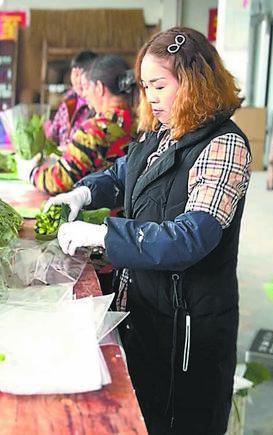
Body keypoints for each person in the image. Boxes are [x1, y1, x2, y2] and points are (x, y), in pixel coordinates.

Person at [48, 27, 251, 434]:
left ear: (195, 82)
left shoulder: (224, 145)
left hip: (189, 329)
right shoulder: (163, 131)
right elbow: (126, 172)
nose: (151, 97)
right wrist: (85, 193)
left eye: (160, 85)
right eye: (145, 86)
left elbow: (191, 237)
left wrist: (105, 234)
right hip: (148, 310)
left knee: (179, 420)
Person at [17, 55, 135, 194]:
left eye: (87, 87)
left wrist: (30, 173)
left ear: (99, 88)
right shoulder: (137, 122)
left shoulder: (94, 129)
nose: (84, 94)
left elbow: (59, 181)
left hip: (98, 210)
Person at [44, 50, 97, 145]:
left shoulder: (95, 104)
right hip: (64, 157)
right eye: (74, 73)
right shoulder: (68, 99)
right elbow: (55, 131)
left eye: (80, 74)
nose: (76, 79)